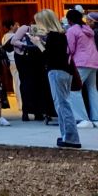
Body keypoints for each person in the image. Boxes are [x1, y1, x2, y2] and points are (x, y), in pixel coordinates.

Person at [30, 9, 81, 148]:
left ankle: (71, 137)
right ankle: (66, 135)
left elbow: (49, 56)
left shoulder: (53, 36)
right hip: (64, 71)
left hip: (57, 71)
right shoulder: (60, 35)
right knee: (62, 104)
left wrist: (38, 44)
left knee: (62, 105)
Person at [10, 21, 57, 123]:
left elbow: (43, 46)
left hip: (37, 59)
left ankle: (38, 111)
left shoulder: (44, 30)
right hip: (24, 58)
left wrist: (39, 44)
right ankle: (26, 111)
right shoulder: (25, 28)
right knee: (27, 85)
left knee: (39, 85)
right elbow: (13, 41)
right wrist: (26, 45)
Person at [66, 9, 98, 128]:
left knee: (74, 89)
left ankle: (82, 119)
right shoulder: (88, 29)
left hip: (80, 62)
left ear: (69, 20)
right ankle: (96, 118)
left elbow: (70, 48)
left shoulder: (72, 30)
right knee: (92, 89)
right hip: (93, 61)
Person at [0, 20, 22, 113]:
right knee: (19, 82)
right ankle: (22, 103)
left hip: (10, 62)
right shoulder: (14, 36)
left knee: (15, 81)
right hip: (16, 60)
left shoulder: (4, 36)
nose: (17, 26)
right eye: (16, 25)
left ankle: (19, 103)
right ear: (12, 26)